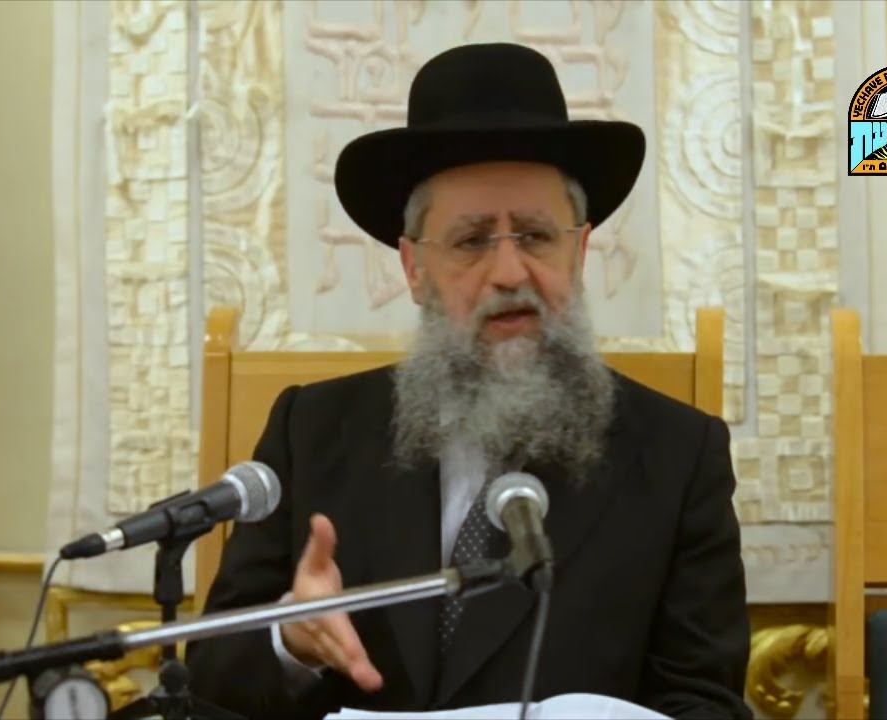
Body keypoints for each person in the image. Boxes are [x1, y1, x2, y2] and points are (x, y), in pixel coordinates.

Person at [185, 42, 752, 720]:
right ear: (414, 268)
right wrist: (290, 642)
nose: (509, 273)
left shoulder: (678, 455)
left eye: (536, 236)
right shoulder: (311, 432)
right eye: (472, 240)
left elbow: (704, 700)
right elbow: (211, 680)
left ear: (579, 251)